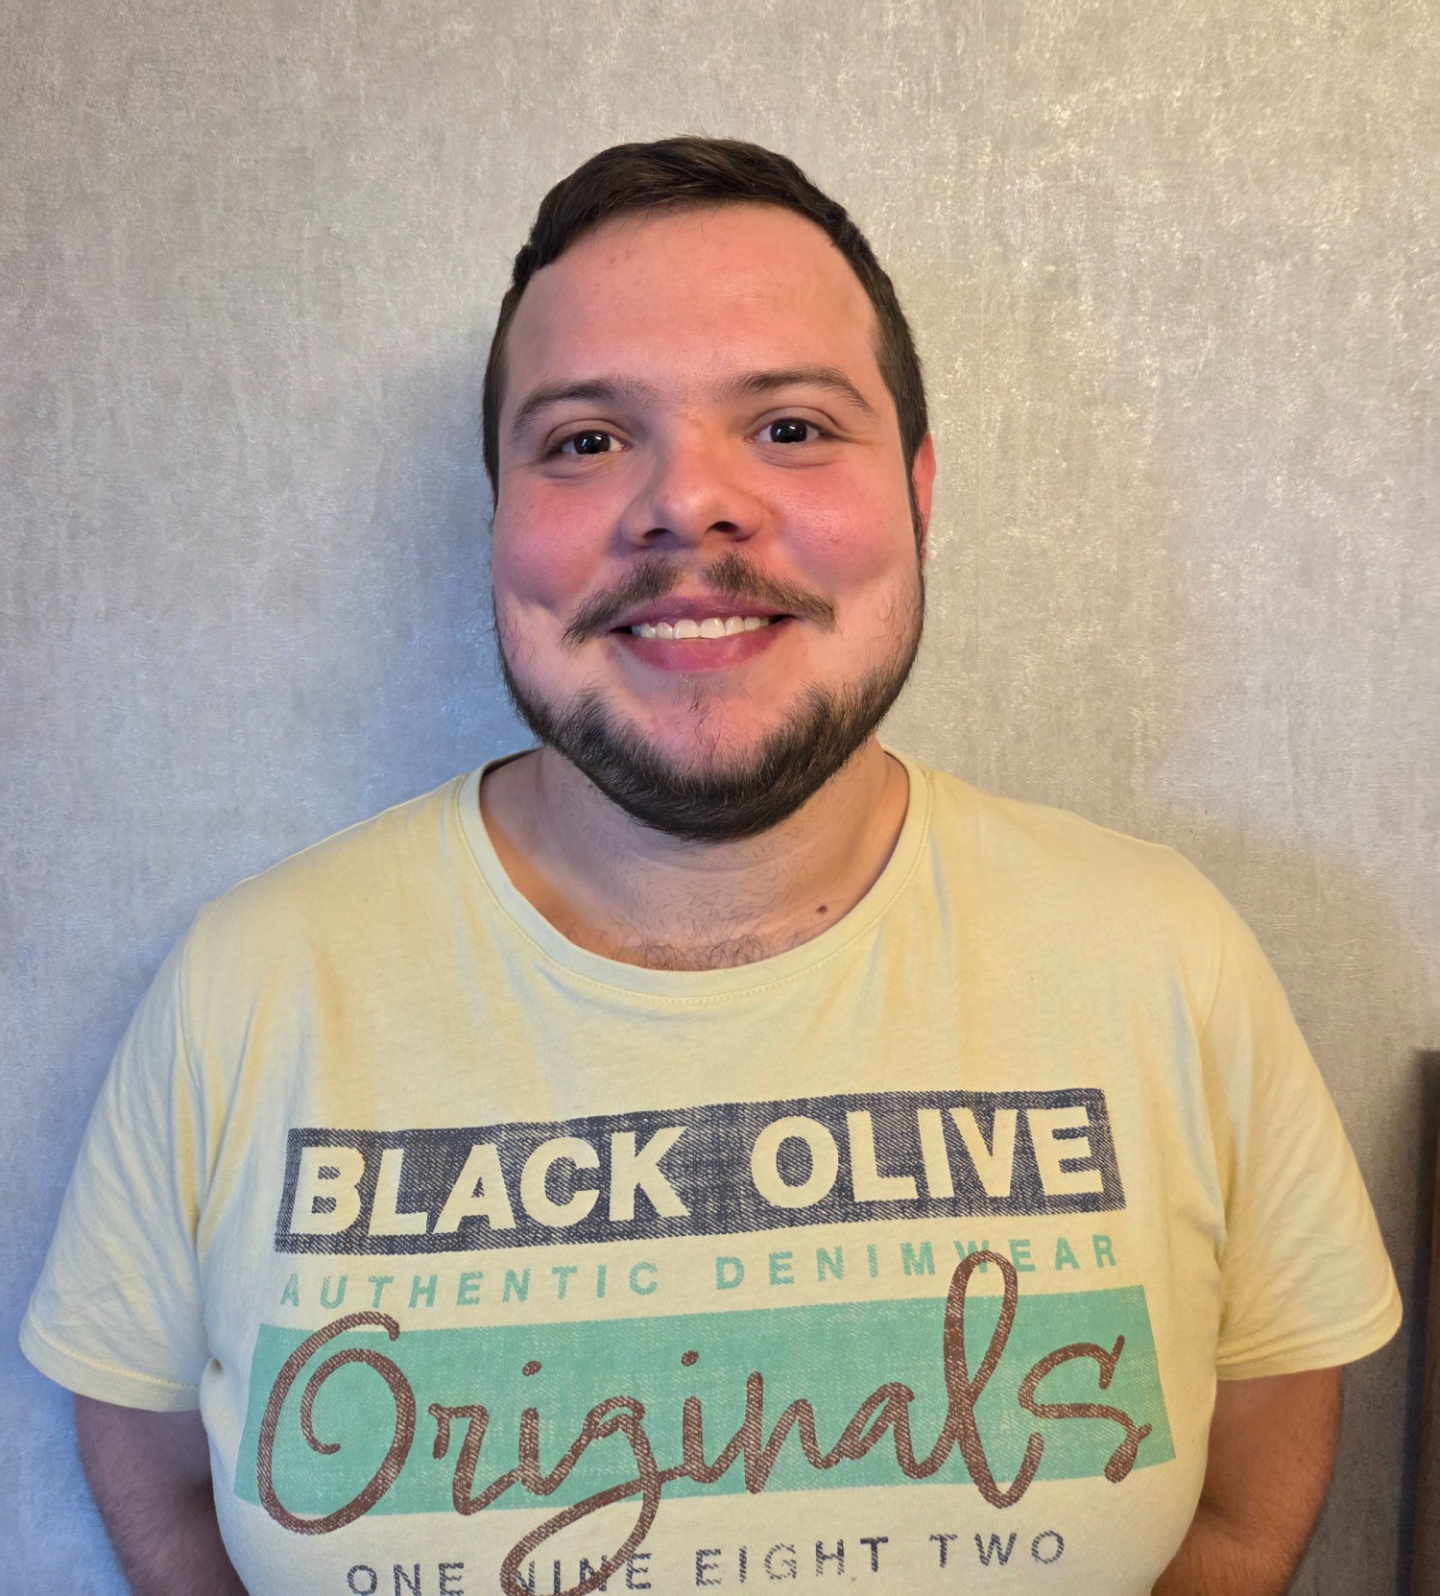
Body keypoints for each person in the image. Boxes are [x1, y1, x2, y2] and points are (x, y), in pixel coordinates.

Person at [23, 138, 1399, 1596]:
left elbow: (1243, 1505)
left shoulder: (1164, 957)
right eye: (584, 440)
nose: (688, 503)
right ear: (498, 516)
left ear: (919, 492)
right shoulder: (250, 988)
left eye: (791, 427)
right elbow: (161, 1481)